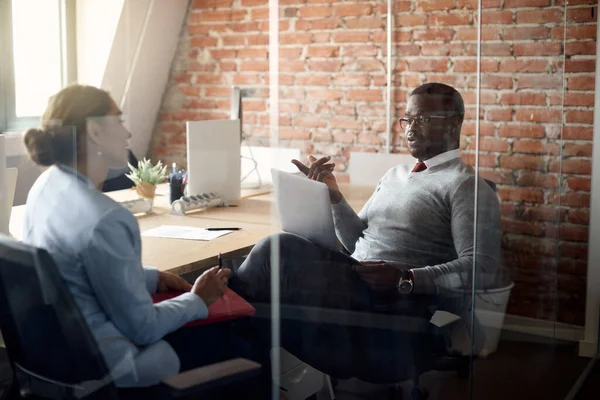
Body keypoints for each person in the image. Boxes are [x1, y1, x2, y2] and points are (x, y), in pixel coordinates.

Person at [229, 83, 501, 379]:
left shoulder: (466, 186)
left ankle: (209, 331)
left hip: (390, 301)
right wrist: (333, 197)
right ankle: (225, 350)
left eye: (421, 119)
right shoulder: (394, 174)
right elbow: (356, 241)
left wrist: (405, 279)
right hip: (353, 283)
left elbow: (481, 268)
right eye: (407, 119)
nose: (410, 129)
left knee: (276, 252)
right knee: (263, 308)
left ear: (454, 122)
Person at [22, 85, 268, 394]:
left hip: (63, 353)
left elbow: (77, 271)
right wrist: (197, 299)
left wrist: (151, 278)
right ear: (95, 132)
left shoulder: (45, 186)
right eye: (119, 119)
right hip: (114, 363)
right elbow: (143, 327)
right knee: (247, 335)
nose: (127, 133)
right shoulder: (107, 218)